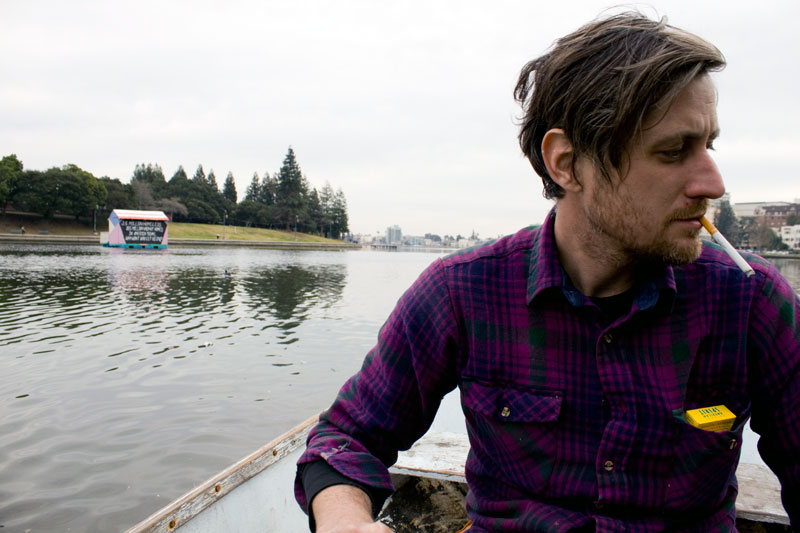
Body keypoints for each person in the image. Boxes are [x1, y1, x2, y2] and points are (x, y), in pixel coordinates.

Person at [295, 12, 800, 532]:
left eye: (708, 145)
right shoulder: (462, 293)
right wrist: (347, 523)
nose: (714, 184)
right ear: (566, 162)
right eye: (673, 152)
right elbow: (346, 439)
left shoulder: (750, 300)